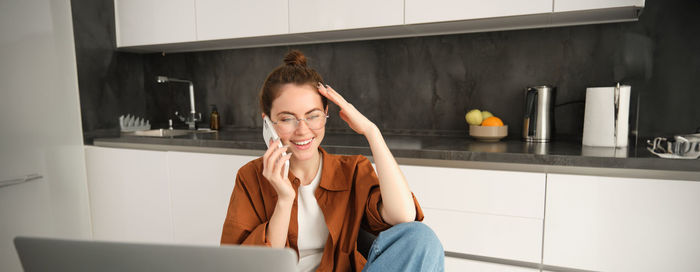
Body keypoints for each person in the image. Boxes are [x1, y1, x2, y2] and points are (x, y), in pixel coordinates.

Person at [221, 50, 444, 272]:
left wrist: (371, 132)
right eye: (287, 118)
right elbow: (248, 267)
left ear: (326, 113)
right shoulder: (250, 177)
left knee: (421, 238)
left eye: (313, 115)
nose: (302, 130)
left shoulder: (352, 170)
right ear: (268, 122)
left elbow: (403, 216)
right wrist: (284, 199)